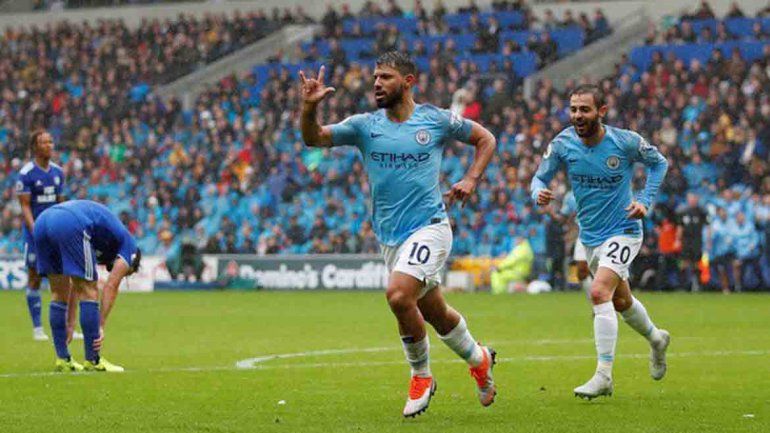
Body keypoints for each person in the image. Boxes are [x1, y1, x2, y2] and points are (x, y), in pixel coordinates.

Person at [299, 52, 498, 417]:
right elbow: (315, 139)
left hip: (430, 228)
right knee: (435, 314)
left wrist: (471, 178)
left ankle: (421, 375)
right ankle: (479, 359)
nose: (377, 83)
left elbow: (486, 139)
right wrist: (309, 109)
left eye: (386, 77)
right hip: (390, 239)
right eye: (375, 77)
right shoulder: (364, 125)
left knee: (397, 294)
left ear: (408, 82)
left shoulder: (434, 120)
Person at [531, 84, 671, 399]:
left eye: (585, 109)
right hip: (591, 236)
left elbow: (659, 163)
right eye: (574, 109)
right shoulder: (563, 144)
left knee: (598, 293)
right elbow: (539, 177)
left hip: (624, 229)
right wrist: (536, 192)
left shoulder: (624, 141)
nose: (578, 116)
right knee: (621, 302)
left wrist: (645, 200)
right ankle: (656, 339)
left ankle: (603, 375)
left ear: (602, 112)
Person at [34, 200, 142, 372]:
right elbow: (111, 286)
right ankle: (93, 360)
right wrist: (100, 325)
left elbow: (75, 283)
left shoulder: (105, 244)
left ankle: (63, 359)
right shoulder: (130, 249)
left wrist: (70, 320)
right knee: (90, 290)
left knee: (58, 293)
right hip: (71, 221)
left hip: (43, 221)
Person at [15, 130, 72, 341]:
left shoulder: (58, 172)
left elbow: (61, 203)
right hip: (35, 235)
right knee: (34, 278)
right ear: (35, 147)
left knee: (66, 279)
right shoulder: (27, 173)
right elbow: (25, 206)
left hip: (55, 233)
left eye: (51, 141)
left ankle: (68, 325)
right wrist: (36, 230)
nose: (50, 145)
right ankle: (37, 327)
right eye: (44, 142)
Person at [676, 193, 708, 291]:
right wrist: (677, 240)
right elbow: (680, 227)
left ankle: (698, 285)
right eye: (690, 199)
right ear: (688, 200)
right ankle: (683, 286)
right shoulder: (683, 212)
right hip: (686, 241)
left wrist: (708, 241)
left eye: (694, 198)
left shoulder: (701, 212)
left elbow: (707, 226)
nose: (692, 200)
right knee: (683, 263)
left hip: (697, 240)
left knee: (697, 263)